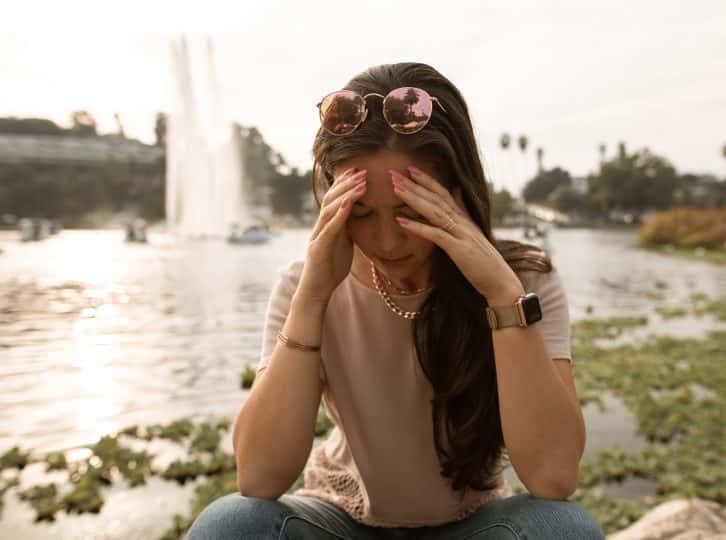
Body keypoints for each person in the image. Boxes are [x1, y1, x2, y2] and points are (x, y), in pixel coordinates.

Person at [188, 62, 604, 539]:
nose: (386, 242)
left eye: (410, 210)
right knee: (232, 524)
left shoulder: (524, 280)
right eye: (361, 212)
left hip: (472, 527)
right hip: (341, 522)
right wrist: (314, 298)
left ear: (457, 191)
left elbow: (553, 477)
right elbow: (259, 478)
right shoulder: (304, 285)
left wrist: (503, 295)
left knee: (561, 528)